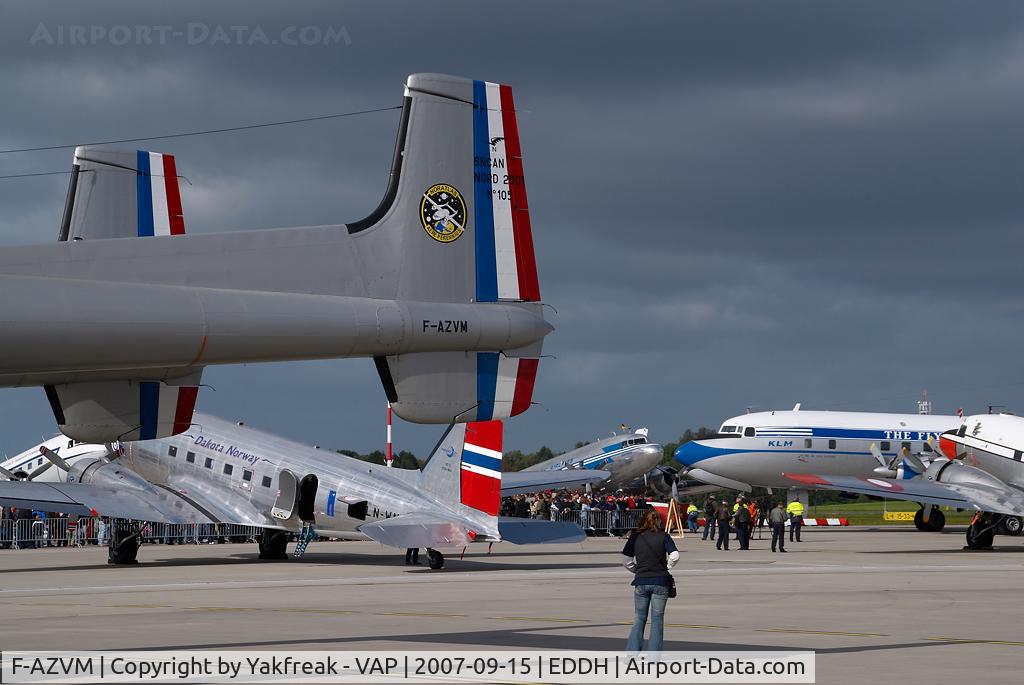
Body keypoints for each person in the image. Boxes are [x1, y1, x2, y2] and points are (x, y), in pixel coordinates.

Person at [622, 510, 679, 655]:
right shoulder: (663, 536)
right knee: (657, 619)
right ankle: (653, 656)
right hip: (660, 581)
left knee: (639, 618)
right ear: (658, 521)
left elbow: (626, 561)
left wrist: (637, 570)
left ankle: (632, 653)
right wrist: (668, 566)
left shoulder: (635, 536)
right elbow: (675, 555)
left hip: (641, 581)